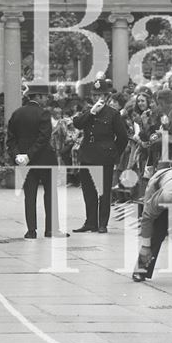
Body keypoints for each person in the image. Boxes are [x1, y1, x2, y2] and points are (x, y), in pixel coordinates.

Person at [7, 84, 69, 239]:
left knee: (30, 195)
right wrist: (30, 155)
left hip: (25, 163)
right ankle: (50, 230)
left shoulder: (17, 114)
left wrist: (18, 156)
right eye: (45, 96)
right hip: (44, 160)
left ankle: (31, 230)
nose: (46, 99)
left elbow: (11, 140)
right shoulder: (44, 114)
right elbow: (43, 139)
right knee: (50, 195)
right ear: (38, 97)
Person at [72, 78, 128, 234]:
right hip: (87, 155)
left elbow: (122, 137)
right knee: (88, 191)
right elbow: (77, 123)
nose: (97, 98)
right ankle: (90, 222)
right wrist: (91, 112)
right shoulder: (88, 111)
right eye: (95, 95)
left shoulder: (113, 114)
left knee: (103, 192)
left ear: (107, 96)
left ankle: (102, 223)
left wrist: (113, 152)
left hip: (104, 157)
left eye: (101, 95)